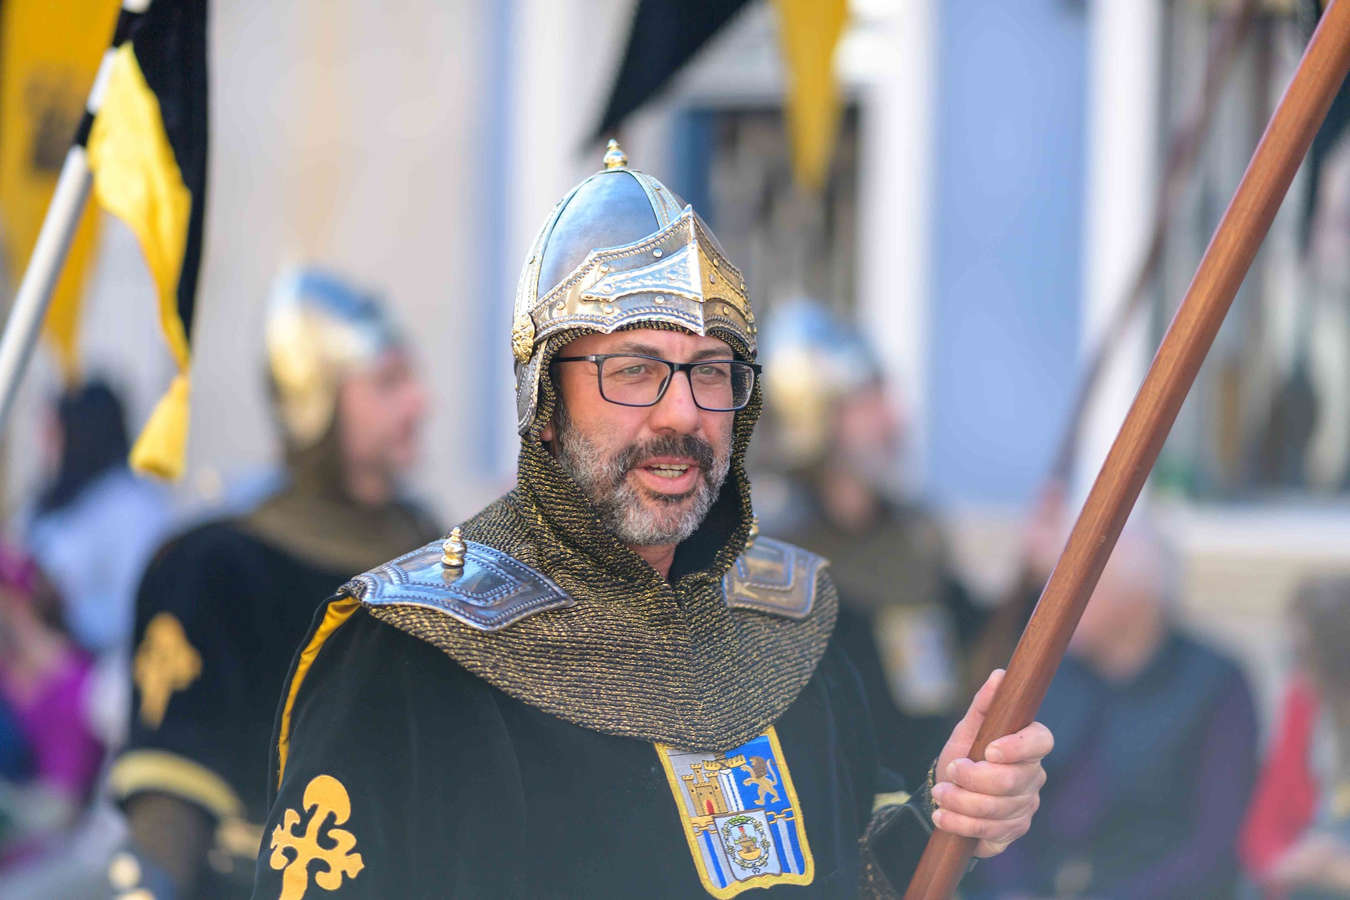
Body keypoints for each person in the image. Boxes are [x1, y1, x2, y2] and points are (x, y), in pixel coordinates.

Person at [251, 143, 1051, 899]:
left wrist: (950, 817)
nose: (682, 414)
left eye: (711, 371)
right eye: (633, 370)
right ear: (547, 403)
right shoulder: (410, 654)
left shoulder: (784, 624)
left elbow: (848, 874)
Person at [106, 267, 440, 898]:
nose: (419, 403)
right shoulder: (214, 569)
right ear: (317, 398)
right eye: (388, 382)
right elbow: (167, 815)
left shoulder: (439, 560)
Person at [757, 299, 986, 789]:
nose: (893, 419)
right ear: (815, 414)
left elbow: (969, 654)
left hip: (931, 801)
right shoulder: (770, 555)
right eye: (868, 402)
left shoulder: (913, 535)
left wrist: (1040, 580)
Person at [966, 523, 1259, 899]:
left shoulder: (1216, 682)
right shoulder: (1051, 672)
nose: (1060, 602)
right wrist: (1013, 889)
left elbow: (1214, 842)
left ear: (1137, 600)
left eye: (1083, 589)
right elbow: (1001, 791)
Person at [23, 379, 171, 658]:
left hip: (101, 670)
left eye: (54, 433)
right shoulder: (51, 501)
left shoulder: (133, 506)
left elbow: (135, 608)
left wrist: (64, 610)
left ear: (83, 433)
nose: (43, 444)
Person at [1243, 575, 1350, 898]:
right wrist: (1284, 863)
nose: (1295, 669)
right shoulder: (1303, 706)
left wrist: (1335, 869)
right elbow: (1266, 824)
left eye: (1301, 655)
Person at [0, 545, 105, 869]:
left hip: (50, 862)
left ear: (14, 600)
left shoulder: (75, 683)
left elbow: (60, 809)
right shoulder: (8, 676)